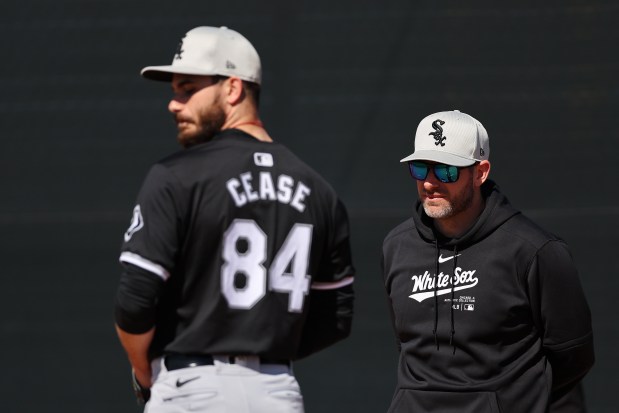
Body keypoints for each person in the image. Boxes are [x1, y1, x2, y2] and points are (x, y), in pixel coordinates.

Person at [114, 26, 355, 413]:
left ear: (232, 88)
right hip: (277, 392)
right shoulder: (319, 191)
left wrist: (145, 372)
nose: (174, 104)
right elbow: (336, 319)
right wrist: (265, 349)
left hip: (191, 388)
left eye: (187, 88)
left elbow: (134, 301)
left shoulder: (175, 176)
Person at [381, 110, 594, 412]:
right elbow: (407, 345)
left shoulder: (536, 250)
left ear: (480, 172)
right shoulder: (397, 246)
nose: (429, 183)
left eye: (445, 171)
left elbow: (573, 356)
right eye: (420, 168)